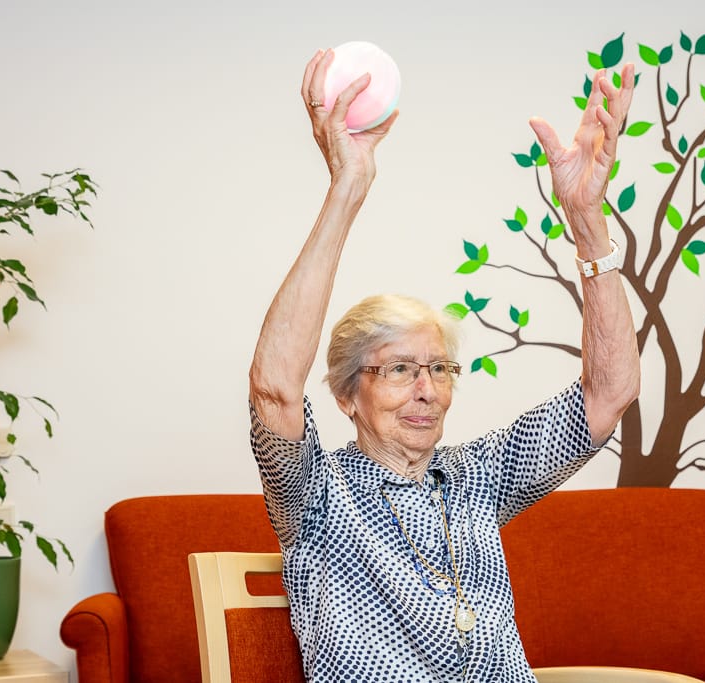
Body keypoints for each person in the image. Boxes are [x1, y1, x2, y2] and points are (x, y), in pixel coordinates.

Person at [248, 48, 641, 682]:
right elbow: (273, 390)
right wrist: (347, 188)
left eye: (439, 368)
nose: (426, 389)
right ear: (347, 396)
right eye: (398, 370)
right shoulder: (316, 496)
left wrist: (586, 220)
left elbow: (609, 395)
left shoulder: (478, 477)